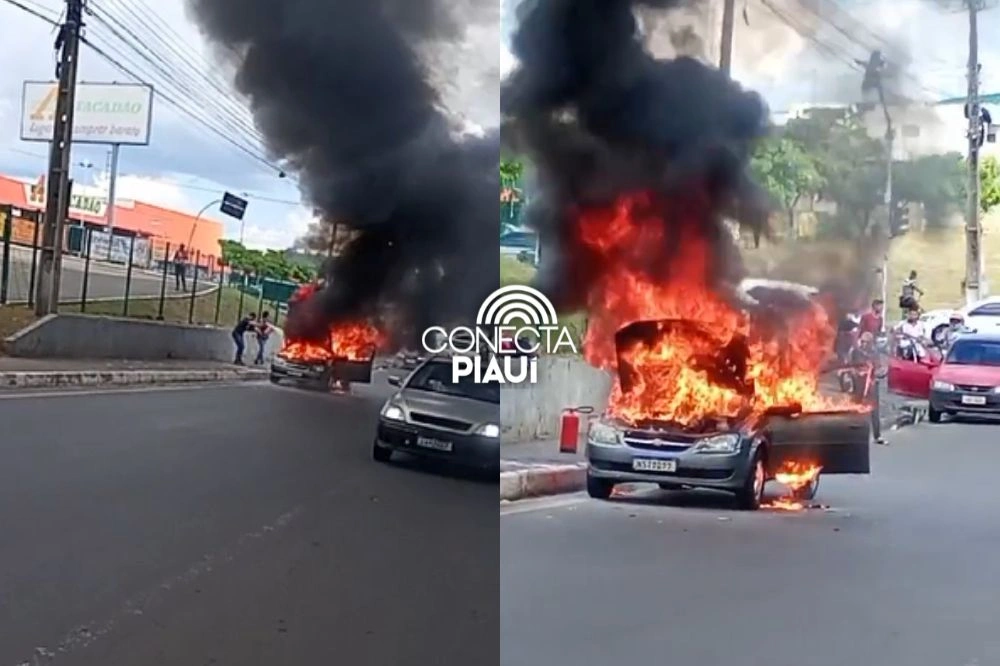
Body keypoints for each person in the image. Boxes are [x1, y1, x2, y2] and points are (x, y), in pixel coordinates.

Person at [849, 332, 887, 445]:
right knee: (856, 408)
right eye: (863, 341)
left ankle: (877, 436)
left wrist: (878, 374)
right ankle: (853, 435)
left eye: (867, 342)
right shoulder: (855, 352)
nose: (864, 344)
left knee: (874, 410)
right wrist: (857, 373)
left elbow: (881, 368)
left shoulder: (875, 353)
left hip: (872, 384)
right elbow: (849, 367)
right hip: (858, 384)